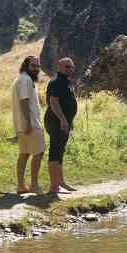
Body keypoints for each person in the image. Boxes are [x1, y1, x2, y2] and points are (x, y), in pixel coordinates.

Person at [44, 56, 79, 196]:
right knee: (55, 151)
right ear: (59, 67)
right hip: (55, 122)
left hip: (64, 122)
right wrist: (63, 119)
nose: (70, 69)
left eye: (71, 66)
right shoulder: (56, 81)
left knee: (60, 151)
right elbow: (53, 102)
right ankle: (54, 186)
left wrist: (69, 120)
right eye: (67, 67)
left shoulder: (66, 81)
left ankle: (61, 182)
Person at [11, 55, 44, 194]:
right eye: (33, 66)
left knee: (24, 154)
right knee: (39, 153)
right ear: (26, 66)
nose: (36, 69)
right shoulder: (25, 80)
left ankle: (21, 186)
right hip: (30, 124)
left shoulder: (20, 79)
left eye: (38, 66)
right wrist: (28, 123)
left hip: (20, 125)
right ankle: (34, 186)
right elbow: (24, 101)